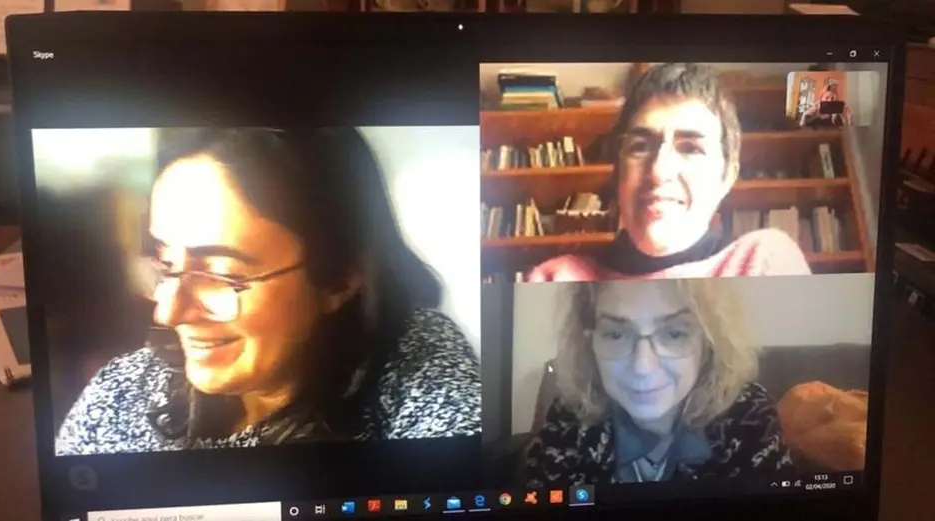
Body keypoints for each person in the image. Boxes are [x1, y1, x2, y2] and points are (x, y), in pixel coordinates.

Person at [55, 128, 481, 455]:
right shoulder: (122, 391)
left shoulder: (421, 368)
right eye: (165, 264)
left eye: (222, 274)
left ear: (339, 277)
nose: (168, 313)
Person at [527, 63, 811, 282]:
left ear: (727, 175)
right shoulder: (559, 279)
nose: (658, 171)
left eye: (691, 148)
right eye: (640, 147)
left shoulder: (762, 263)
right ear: (619, 171)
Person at [524, 279, 793, 486]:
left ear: (709, 343)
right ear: (589, 342)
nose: (642, 367)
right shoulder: (570, 415)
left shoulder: (749, 417)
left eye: (674, 334)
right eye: (616, 335)